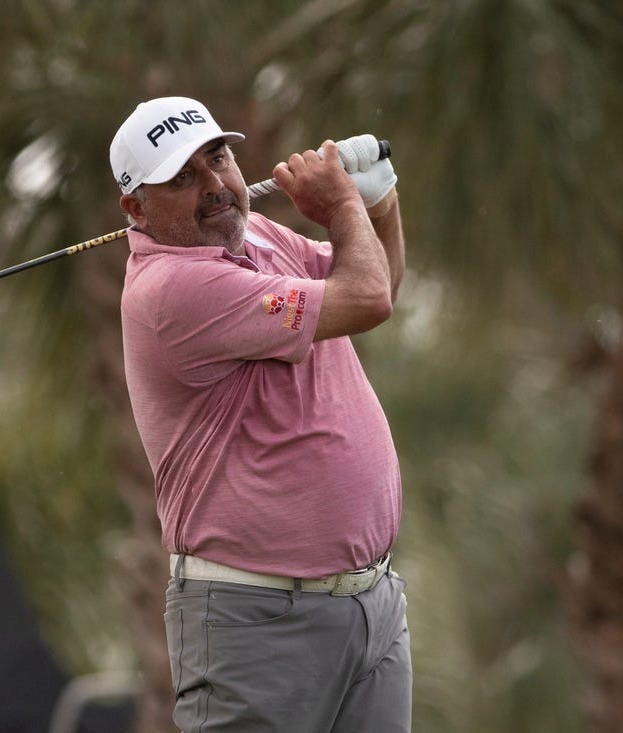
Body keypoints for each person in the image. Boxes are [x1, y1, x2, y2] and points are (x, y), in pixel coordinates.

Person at [111, 96, 411, 732]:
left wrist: (378, 197)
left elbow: (377, 278)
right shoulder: (173, 291)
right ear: (136, 208)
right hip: (256, 622)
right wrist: (343, 207)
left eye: (217, 159)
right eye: (183, 177)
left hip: (371, 606)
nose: (216, 186)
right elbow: (369, 298)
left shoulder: (257, 235)